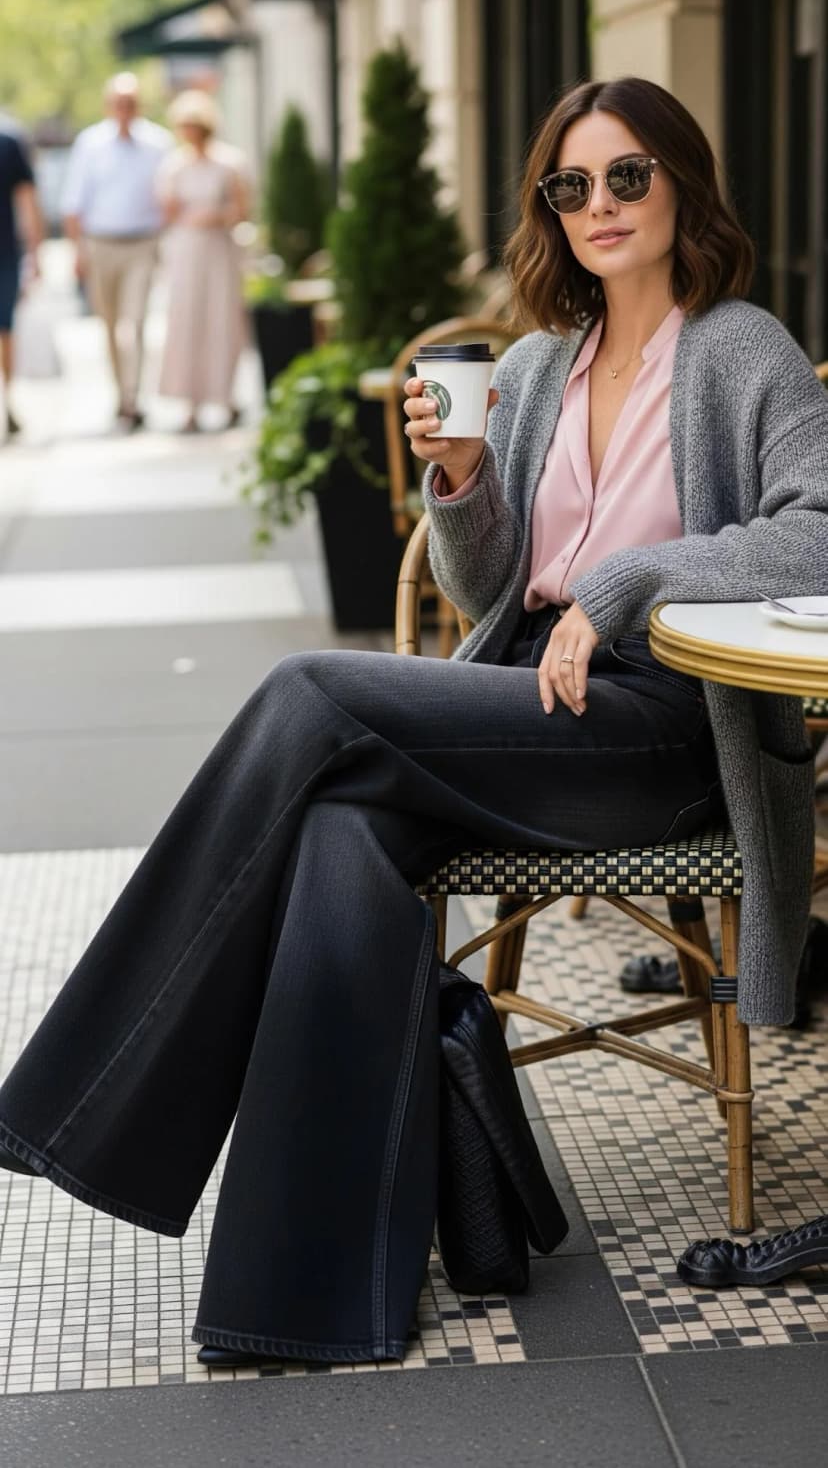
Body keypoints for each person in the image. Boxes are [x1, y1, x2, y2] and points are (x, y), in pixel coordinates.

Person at [0, 76, 826, 1366]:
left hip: (667, 729)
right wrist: (460, 478)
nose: (600, 204)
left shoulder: (743, 349)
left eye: (628, 175)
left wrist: (627, 582)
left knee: (307, 690)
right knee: (342, 826)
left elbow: (815, 531)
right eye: (571, 185)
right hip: (533, 704)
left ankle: (82, 1092)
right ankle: (299, 1296)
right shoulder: (542, 363)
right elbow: (488, 591)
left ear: (682, 185)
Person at [61, 73, 172, 431]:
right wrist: (77, 250)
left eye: (131, 103)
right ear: (109, 106)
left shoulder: (159, 143)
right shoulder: (90, 143)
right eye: (119, 103)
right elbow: (74, 202)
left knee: (135, 321)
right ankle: (119, 393)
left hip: (142, 243)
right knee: (109, 324)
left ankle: (132, 398)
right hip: (102, 244)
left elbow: (168, 196)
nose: (125, 110)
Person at [156, 90, 250, 432]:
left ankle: (226, 397)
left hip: (219, 250)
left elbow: (242, 207)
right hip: (186, 252)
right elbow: (166, 210)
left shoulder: (230, 163)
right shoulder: (174, 165)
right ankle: (189, 403)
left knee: (222, 321)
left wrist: (215, 216)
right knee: (187, 322)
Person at [0, 122, 43, 438]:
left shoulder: (9, 142)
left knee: (5, 330)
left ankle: (7, 401)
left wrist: (35, 253)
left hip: (5, 253)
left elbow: (27, 199)